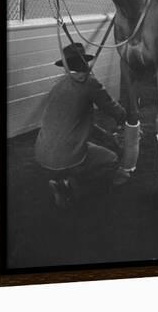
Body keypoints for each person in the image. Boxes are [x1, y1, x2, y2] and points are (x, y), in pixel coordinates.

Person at [34, 42, 129, 208]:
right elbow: (112, 107)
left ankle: (62, 178)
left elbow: (80, 125)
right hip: (67, 155)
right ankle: (71, 186)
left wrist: (107, 137)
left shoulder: (58, 84)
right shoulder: (89, 83)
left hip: (42, 154)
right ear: (84, 62)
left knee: (80, 145)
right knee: (112, 160)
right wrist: (125, 117)